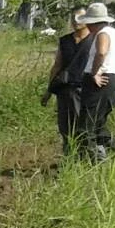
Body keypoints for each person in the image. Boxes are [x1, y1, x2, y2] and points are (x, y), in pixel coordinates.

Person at [75, 2, 115, 161]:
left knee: (86, 127)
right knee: (98, 126)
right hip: (112, 80)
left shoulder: (102, 34)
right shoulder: (114, 33)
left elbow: (101, 53)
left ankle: (96, 163)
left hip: (99, 83)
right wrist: (113, 69)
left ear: (93, 22)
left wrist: (95, 73)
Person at [41, 8, 92, 156]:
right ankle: (69, 156)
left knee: (82, 126)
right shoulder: (65, 41)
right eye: (73, 17)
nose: (76, 20)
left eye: (80, 17)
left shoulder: (95, 39)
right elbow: (57, 65)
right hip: (64, 89)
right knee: (65, 127)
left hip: (85, 89)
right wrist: (48, 91)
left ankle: (84, 157)